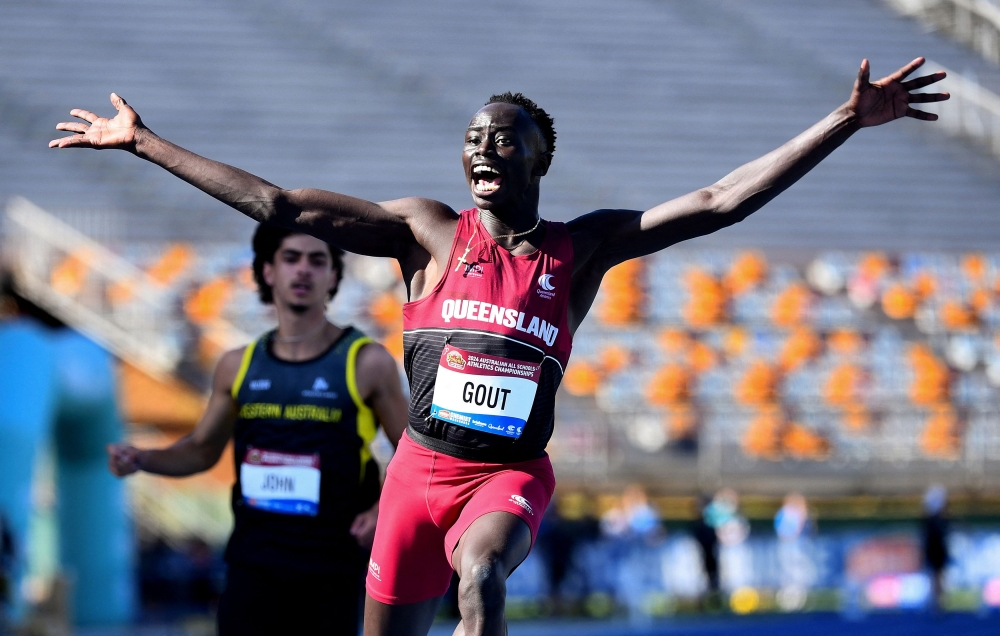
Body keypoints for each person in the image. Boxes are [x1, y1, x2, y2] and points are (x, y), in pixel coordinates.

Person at [52, 56, 948, 636]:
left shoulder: (582, 246)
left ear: (538, 159)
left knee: (479, 580)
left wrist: (843, 121)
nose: (484, 146)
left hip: (505, 478)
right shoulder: (426, 236)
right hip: (415, 479)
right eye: (474, 136)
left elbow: (721, 202)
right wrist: (144, 144)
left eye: (505, 137)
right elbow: (283, 207)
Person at [105, 224, 408, 635]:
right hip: (253, 560)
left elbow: (413, 452)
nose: (303, 271)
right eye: (291, 259)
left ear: (334, 277)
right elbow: (200, 451)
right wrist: (142, 458)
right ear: (267, 272)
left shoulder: (366, 362)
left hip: (331, 562)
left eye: (317, 261)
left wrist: (379, 512)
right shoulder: (237, 365)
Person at [921, 484, 949, 611]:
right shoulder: (934, 520)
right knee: (936, 577)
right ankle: (937, 603)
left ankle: (937, 602)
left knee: (937, 577)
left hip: (936, 550)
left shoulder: (934, 520)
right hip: (935, 550)